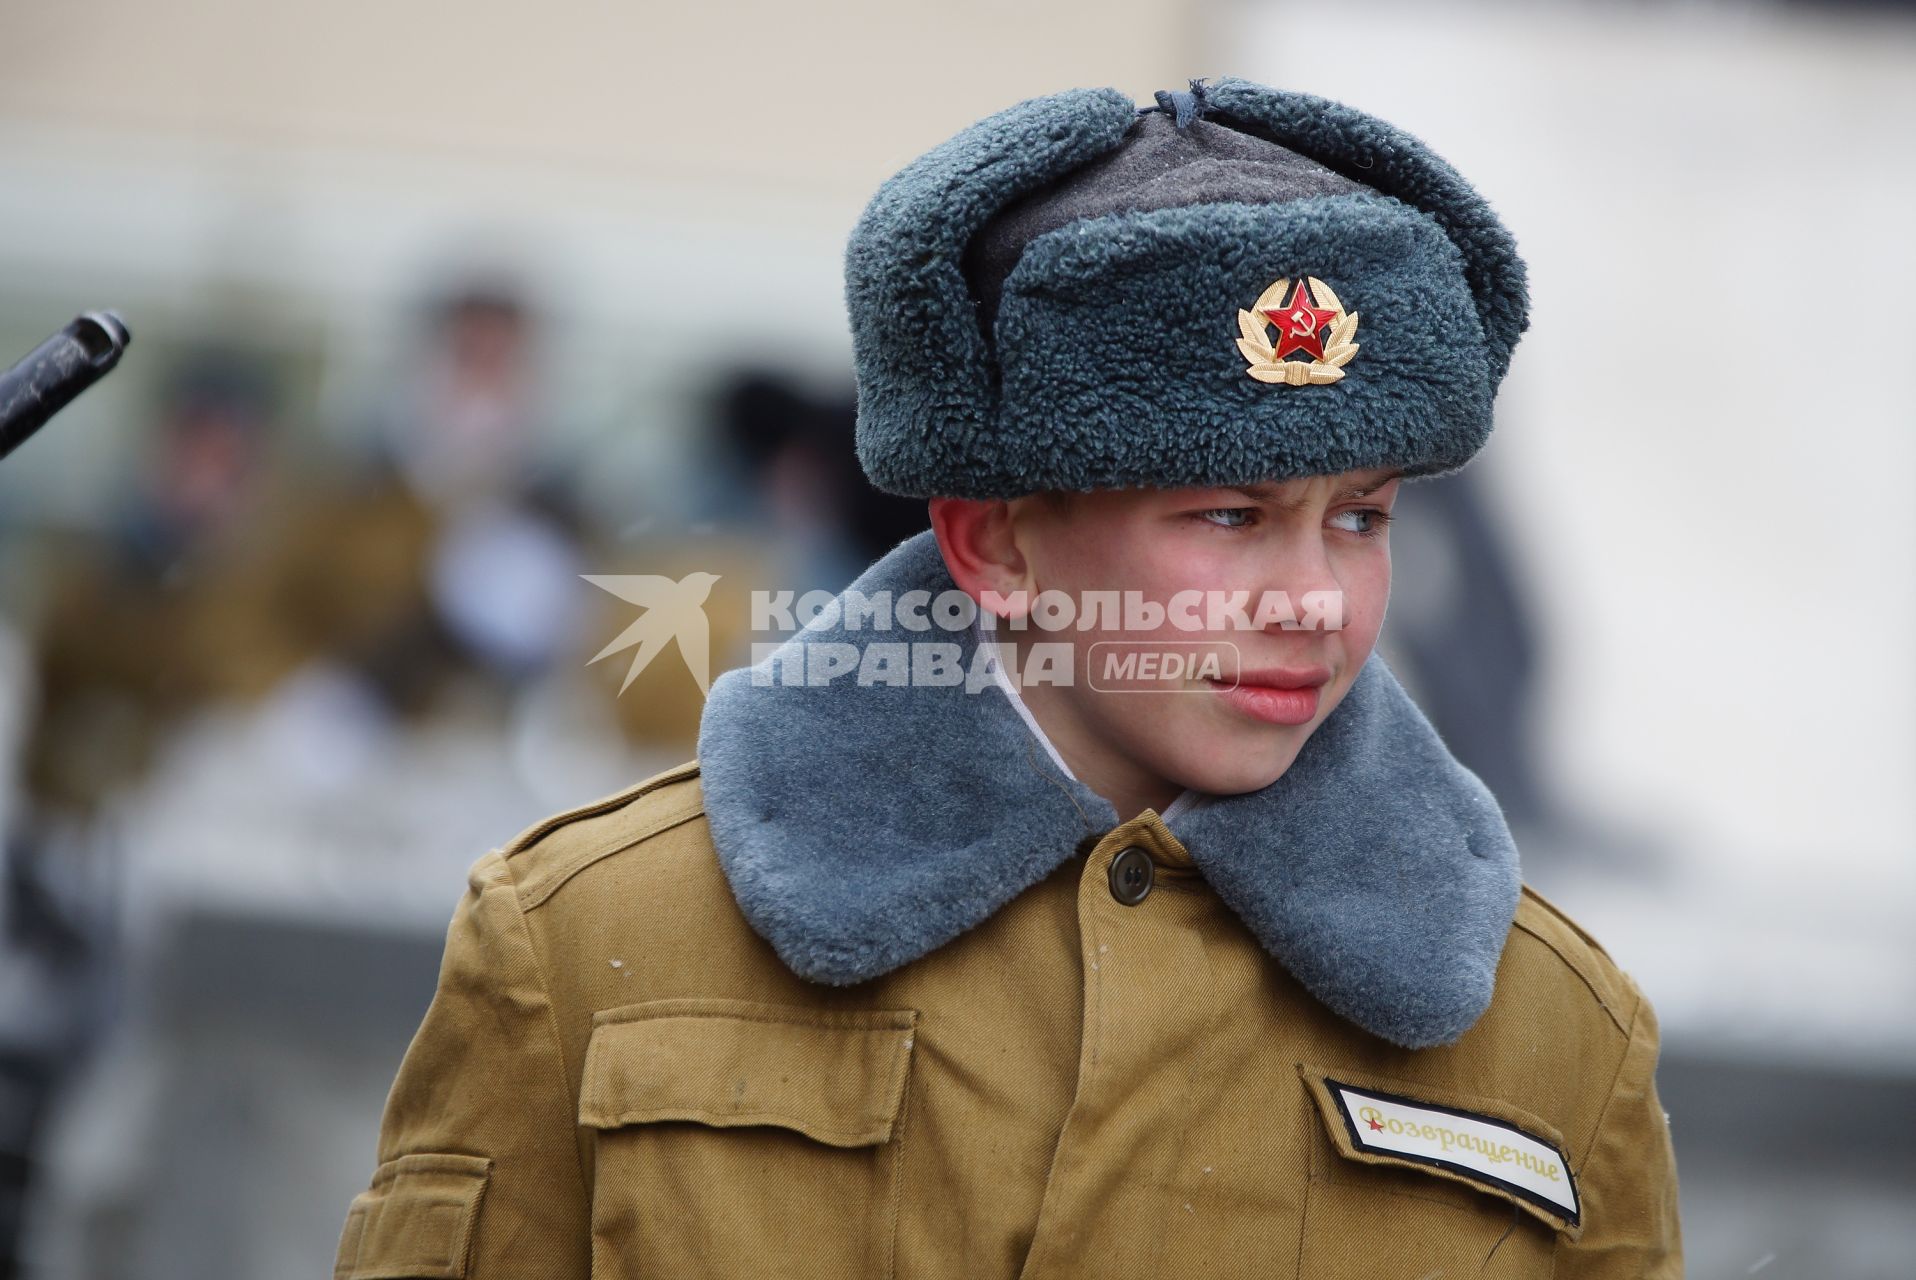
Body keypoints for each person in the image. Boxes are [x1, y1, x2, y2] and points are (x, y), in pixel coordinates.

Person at [333, 77, 1682, 1279]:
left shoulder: (1558, 1039)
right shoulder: (585, 947)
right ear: (999, 542)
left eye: (1363, 518)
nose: (1316, 600)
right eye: (1229, 516)